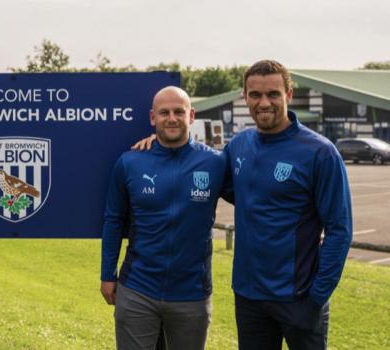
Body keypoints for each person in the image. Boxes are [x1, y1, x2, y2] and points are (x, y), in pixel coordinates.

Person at [133, 60, 353, 349]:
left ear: (288, 95)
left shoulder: (320, 153)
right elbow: (200, 170)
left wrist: (316, 297)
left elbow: (340, 229)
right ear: (245, 97)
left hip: (299, 298)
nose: (264, 102)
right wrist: (162, 144)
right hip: (249, 298)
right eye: (255, 95)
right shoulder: (240, 145)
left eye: (273, 94)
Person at [101, 86, 230, 350]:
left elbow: (257, 200)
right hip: (137, 289)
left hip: (192, 294)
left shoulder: (216, 163)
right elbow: (113, 220)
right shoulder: (130, 162)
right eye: (164, 113)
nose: (171, 118)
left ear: (191, 116)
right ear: (152, 118)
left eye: (178, 112)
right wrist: (107, 275)